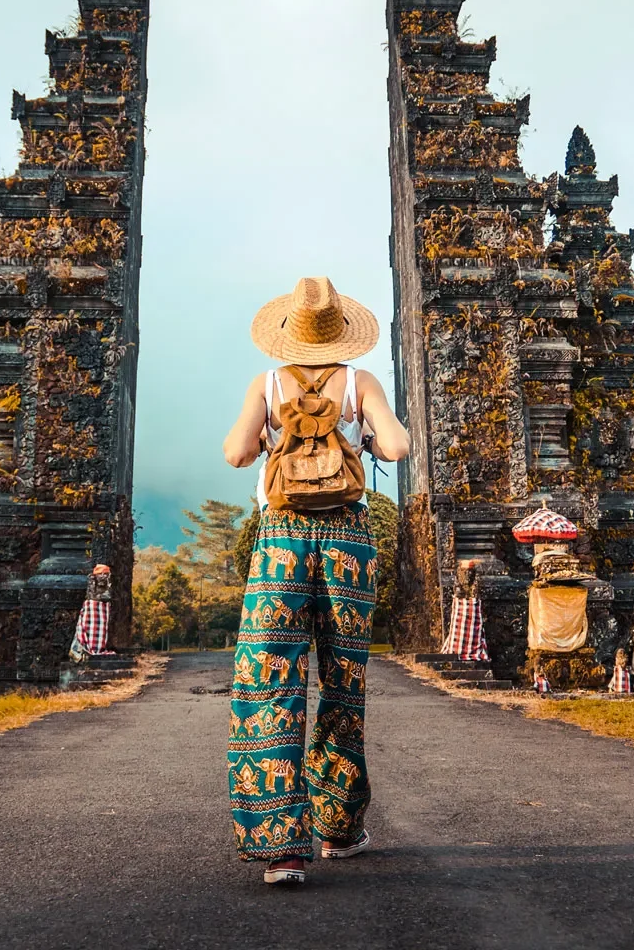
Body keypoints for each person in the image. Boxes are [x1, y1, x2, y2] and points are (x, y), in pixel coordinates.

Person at [223, 277, 410, 885]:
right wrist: (369, 435)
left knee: (269, 679)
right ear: (341, 332)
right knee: (342, 680)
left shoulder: (267, 383)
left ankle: (283, 849)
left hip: (280, 538)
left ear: (288, 334)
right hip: (348, 542)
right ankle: (339, 828)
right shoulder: (360, 382)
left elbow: (233, 453)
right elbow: (400, 446)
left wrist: (263, 445)